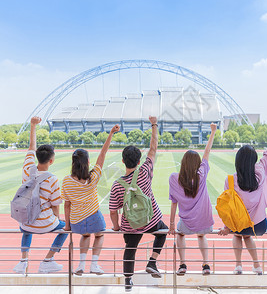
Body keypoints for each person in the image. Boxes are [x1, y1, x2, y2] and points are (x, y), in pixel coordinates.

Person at [218, 119, 267, 275]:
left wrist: (227, 227)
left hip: (238, 225)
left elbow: (228, 208)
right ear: (254, 160)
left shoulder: (230, 180)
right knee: (246, 235)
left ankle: (239, 265)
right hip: (259, 225)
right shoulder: (260, 173)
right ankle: (256, 265)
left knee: (238, 234)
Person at [109, 116, 167, 292]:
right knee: (163, 232)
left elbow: (113, 210)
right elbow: (153, 147)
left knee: (130, 248)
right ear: (139, 159)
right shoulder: (145, 171)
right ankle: (152, 261)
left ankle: (128, 281)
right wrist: (154, 124)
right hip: (151, 219)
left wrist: (117, 226)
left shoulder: (117, 184)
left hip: (131, 224)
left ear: (122, 160)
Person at [61, 124, 119, 275]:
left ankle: (81, 265)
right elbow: (102, 155)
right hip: (94, 217)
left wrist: (67, 225)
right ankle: (94, 265)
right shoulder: (93, 177)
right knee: (99, 236)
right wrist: (111, 133)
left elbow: (67, 205)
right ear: (87, 162)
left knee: (85, 236)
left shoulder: (66, 181)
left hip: (76, 220)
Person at [13, 116, 68, 274]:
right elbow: (56, 205)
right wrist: (57, 220)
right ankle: (48, 260)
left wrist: (33, 125)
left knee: (25, 226)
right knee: (65, 229)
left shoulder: (27, 168)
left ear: (36, 157)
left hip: (27, 222)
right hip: (45, 224)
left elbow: (31, 146)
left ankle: (23, 261)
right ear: (51, 161)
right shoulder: (52, 179)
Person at [168, 123, 217, 276]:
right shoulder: (201, 175)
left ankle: (182, 264)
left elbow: (174, 202)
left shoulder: (174, 178)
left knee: (180, 234)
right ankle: (206, 264)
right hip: (204, 221)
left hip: (186, 221)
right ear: (197, 164)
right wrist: (213, 132)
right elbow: (207, 152)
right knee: (201, 236)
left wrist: (171, 224)